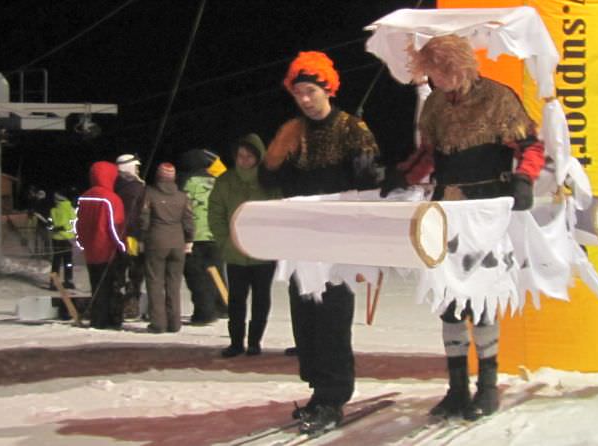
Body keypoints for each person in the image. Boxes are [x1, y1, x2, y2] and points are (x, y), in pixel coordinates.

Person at [380, 35, 545, 420]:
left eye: (444, 70)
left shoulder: (499, 97)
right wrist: (402, 175)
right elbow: (428, 156)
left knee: (482, 298)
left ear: (462, 64)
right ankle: (456, 388)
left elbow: (531, 146)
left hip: (487, 208)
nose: (439, 79)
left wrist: (524, 179)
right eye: (433, 72)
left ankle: (487, 387)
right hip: (447, 210)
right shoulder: (435, 105)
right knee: (449, 301)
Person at [259, 50, 381, 434]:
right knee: (305, 319)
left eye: (311, 91)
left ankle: (334, 395)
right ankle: (317, 389)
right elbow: (267, 182)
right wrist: (275, 154)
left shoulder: (351, 128)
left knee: (331, 318)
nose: (305, 100)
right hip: (301, 238)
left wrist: (366, 168)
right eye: (298, 94)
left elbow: (372, 183)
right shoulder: (293, 131)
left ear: (328, 88)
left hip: (338, 240)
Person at [210, 133, 281, 357]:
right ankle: (236, 342)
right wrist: (225, 243)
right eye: (240, 156)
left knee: (261, 299)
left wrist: (272, 244)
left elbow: (279, 215)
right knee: (236, 301)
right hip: (235, 253)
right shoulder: (225, 182)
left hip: (263, 255)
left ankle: (254, 342)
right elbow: (215, 214)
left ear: (258, 157)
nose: (244, 160)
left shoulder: (269, 183)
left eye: (249, 156)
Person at [140, 162, 195, 333]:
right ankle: (174, 322)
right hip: (177, 243)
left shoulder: (150, 193)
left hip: (156, 241)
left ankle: (158, 323)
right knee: (174, 283)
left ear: (158, 176)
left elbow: (144, 219)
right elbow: (189, 220)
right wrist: (189, 239)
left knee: (155, 282)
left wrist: (142, 237)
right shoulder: (182, 197)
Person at [75, 161, 127, 329]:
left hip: (90, 251)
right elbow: (115, 226)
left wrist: (82, 243)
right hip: (108, 250)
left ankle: (97, 318)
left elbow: (79, 225)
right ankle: (110, 319)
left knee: (96, 285)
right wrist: (122, 246)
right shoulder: (111, 199)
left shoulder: (85, 197)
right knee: (111, 286)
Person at [179, 148, 226, 324]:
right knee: (217, 273)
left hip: (194, 236)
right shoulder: (219, 182)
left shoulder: (186, 182)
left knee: (197, 276)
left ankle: (204, 312)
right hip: (216, 235)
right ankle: (224, 306)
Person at [115, 153, 147, 319]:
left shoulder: (116, 185)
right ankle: (131, 303)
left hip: (118, 235)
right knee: (135, 269)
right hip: (133, 236)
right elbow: (141, 214)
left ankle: (118, 304)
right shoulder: (136, 188)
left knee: (120, 269)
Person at [48, 191, 77, 290]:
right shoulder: (70, 209)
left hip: (59, 239)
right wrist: (53, 227)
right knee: (67, 261)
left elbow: (50, 224)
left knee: (56, 262)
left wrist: (56, 228)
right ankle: (68, 280)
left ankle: (54, 282)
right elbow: (74, 224)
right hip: (66, 239)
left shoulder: (55, 210)